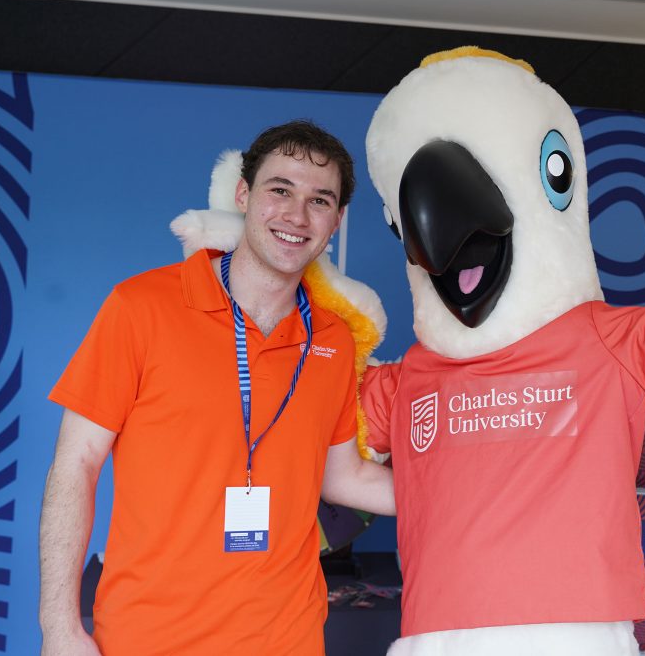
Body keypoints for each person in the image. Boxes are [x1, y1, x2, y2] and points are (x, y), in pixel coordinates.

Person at [39, 121, 395, 655]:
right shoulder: (141, 308)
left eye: (320, 200)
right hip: (147, 640)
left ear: (337, 220)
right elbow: (76, 463)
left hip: (288, 641)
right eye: (280, 190)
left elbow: (345, 477)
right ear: (244, 195)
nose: (297, 216)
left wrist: (465, 492)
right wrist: (59, 627)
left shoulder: (333, 340)